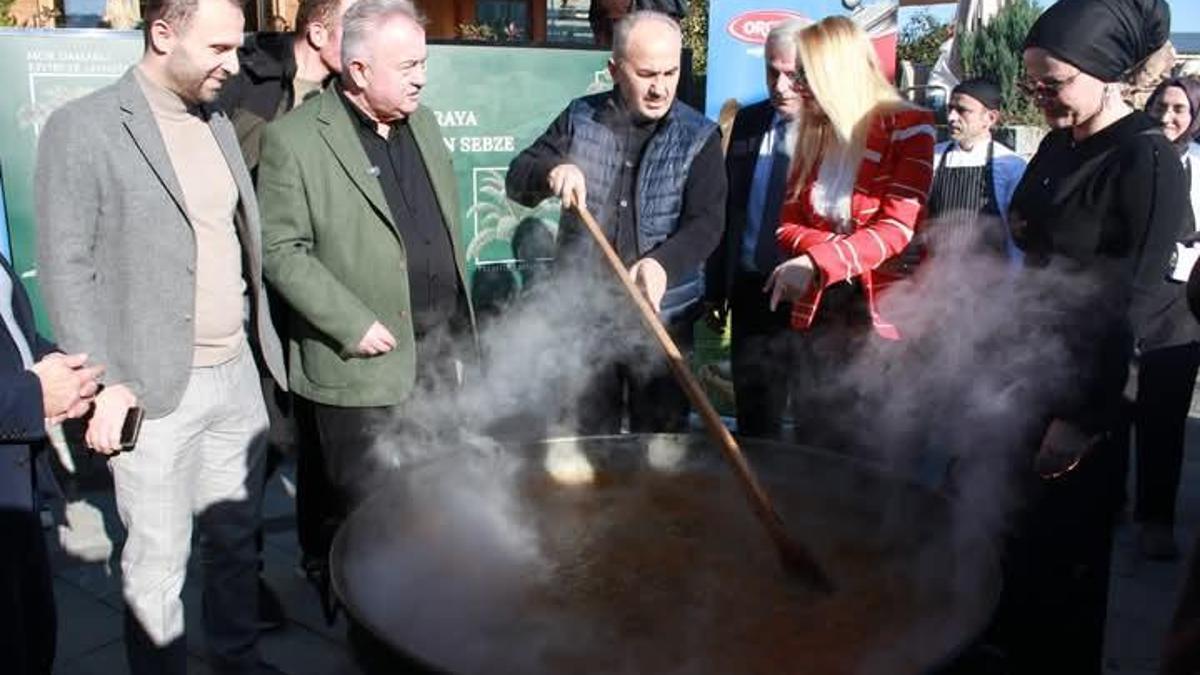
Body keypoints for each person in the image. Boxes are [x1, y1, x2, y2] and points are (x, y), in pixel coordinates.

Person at [33, 0, 288, 670]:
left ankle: (238, 659)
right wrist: (104, 383)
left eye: (236, 48)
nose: (233, 67)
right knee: (156, 566)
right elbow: (65, 265)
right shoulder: (81, 127)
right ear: (162, 33)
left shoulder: (218, 122)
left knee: (238, 546)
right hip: (149, 389)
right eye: (218, 50)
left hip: (236, 374)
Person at [256, 0, 475, 597]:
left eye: (422, 63)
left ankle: (424, 601)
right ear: (356, 70)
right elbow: (280, 249)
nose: (421, 77)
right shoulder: (294, 139)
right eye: (406, 66)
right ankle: (362, 612)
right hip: (359, 367)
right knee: (363, 510)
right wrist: (350, 322)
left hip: (434, 355)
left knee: (431, 493)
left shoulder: (423, 124)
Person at [996, 0, 1189, 670]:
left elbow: (1139, 306)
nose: (1040, 97)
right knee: (1006, 546)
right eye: (1032, 84)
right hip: (1026, 370)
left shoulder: (1148, 160)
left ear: (1105, 72)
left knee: (1065, 566)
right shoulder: (1055, 142)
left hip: (1086, 389)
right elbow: (1025, 227)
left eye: (1054, 84)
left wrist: (1082, 416)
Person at [506, 9, 726, 434]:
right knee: (591, 438)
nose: (661, 87)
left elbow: (707, 223)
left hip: (664, 318)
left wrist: (664, 263)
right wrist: (551, 171)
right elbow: (518, 176)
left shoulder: (699, 136)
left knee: (662, 446)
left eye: (670, 72)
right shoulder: (580, 118)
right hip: (586, 317)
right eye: (646, 74)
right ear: (614, 69)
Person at [218, 0, 358, 626]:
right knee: (262, 441)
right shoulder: (244, 81)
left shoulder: (348, 96)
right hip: (246, 294)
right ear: (320, 30)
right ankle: (238, 581)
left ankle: (320, 558)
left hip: (313, 290)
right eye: (354, 24)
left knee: (317, 438)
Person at [762, 15, 935, 451]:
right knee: (815, 439)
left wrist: (818, 260)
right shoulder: (813, 132)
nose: (795, 88)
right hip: (819, 316)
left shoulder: (910, 127)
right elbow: (786, 223)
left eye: (803, 76)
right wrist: (828, 259)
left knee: (876, 450)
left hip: (882, 321)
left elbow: (896, 229)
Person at [704, 18, 809, 440]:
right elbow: (725, 210)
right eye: (772, 71)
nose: (780, 86)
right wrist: (716, 289)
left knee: (815, 417)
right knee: (755, 418)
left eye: (793, 74)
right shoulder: (746, 124)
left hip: (810, 300)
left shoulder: (840, 132)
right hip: (752, 291)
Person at [0, 256, 102, 675]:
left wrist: (70, 374)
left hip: (19, 489)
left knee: (34, 640)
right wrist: (33, 394)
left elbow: (15, 340)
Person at [1131, 76, 1200, 561]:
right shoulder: (1135, 158)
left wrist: (1175, 259)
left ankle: (1154, 518)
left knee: (1164, 419)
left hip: (1180, 310)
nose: (1168, 116)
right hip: (1129, 301)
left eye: (1179, 108)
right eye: (1161, 105)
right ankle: (1108, 499)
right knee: (1113, 408)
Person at [220, 0, 356, 174]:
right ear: (317, 34)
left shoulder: (349, 95)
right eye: (355, 31)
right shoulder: (243, 74)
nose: (366, 42)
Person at [924, 78, 1026, 261]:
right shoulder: (933, 158)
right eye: (950, 109)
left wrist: (1013, 283)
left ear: (990, 118)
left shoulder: (1011, 165)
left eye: (962, 110)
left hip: (990, 281)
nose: (951, 117)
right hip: (938, 277)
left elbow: (1016, 235)